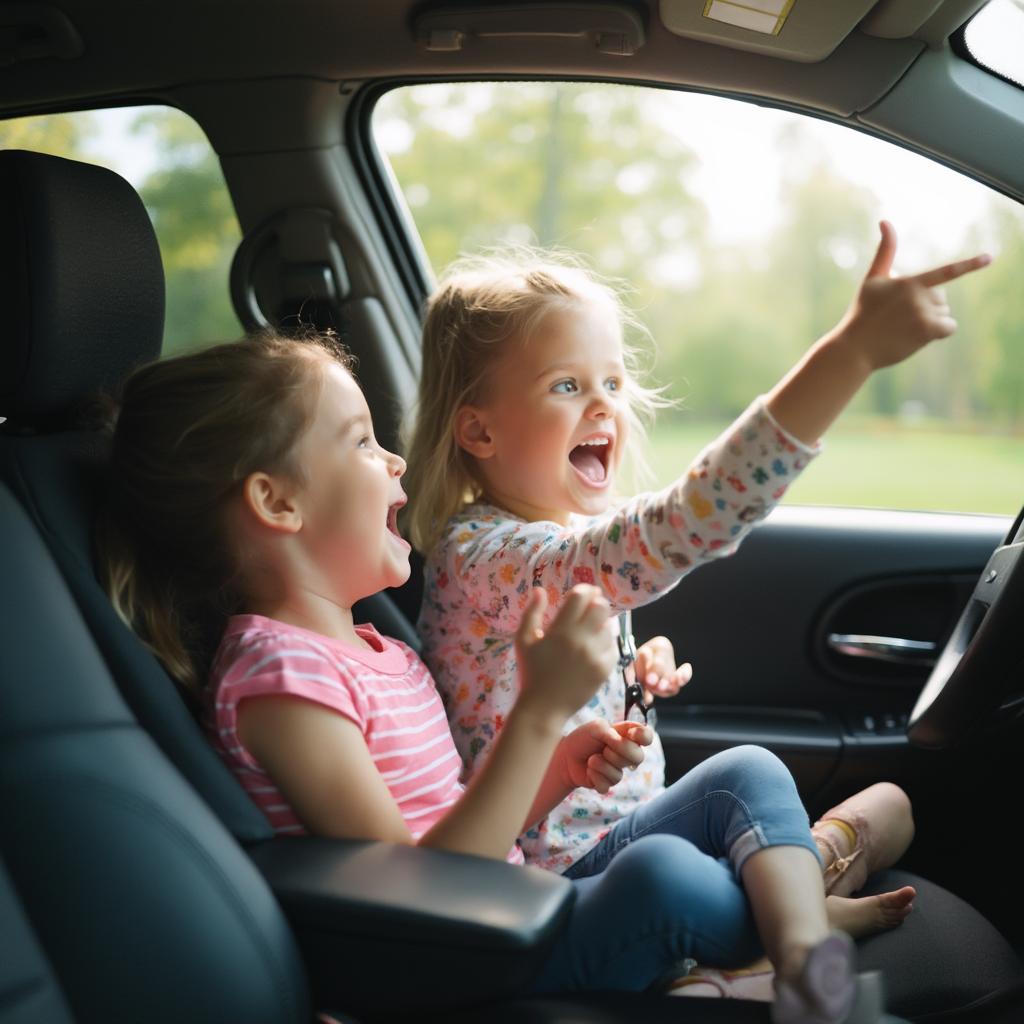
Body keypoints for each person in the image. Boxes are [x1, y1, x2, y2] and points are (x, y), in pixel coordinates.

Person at [97, 331, 873, 1021]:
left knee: (745, 772)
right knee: (664, 874)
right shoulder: (279, 677)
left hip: (510, 902)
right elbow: (411, 890)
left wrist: (557, 769)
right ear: (277, 501)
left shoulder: (377, 649)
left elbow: (458, 823)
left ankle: (802, 953)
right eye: (362, 443)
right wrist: (538, 712)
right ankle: (791, 916)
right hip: (474, 957)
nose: (395, 458)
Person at [403, 223, 989, 939]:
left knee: (892, 802)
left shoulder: (551, 541)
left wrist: (629, 678)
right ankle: (800, 912)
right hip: (563, 867)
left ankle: (792, 885)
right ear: (478, 432)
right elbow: (677, 529)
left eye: (613, 382)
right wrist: (850, 354)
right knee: (750, 776)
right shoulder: (485, 554)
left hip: (634, 830)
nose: (604, 405)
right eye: (567, 385)